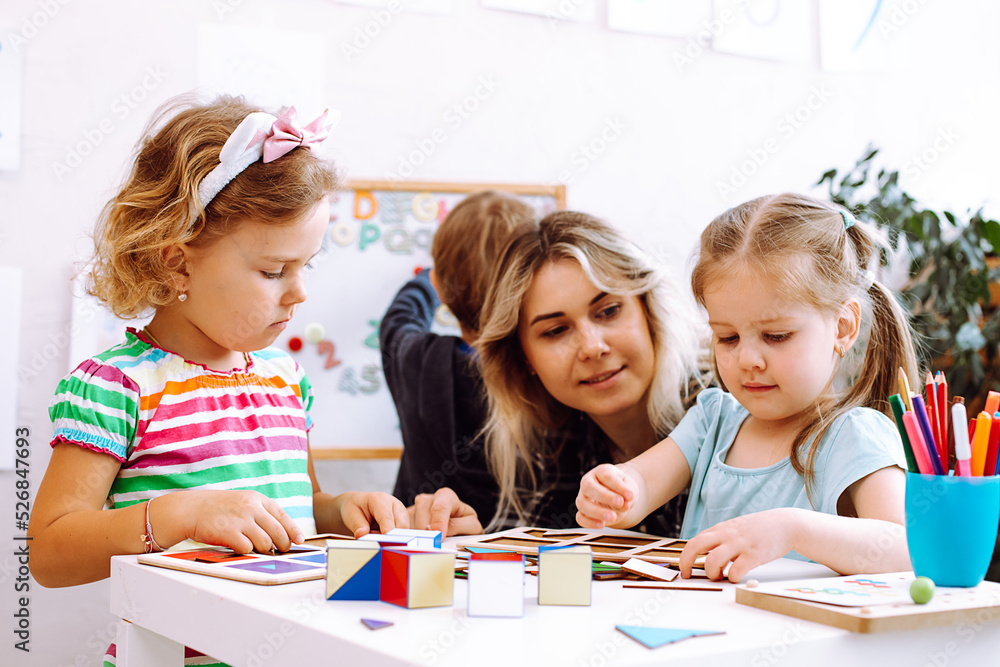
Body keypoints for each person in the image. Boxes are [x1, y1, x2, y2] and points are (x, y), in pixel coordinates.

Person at [25, 95, 468, 666]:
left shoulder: (285, 381)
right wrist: (181, 514)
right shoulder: (116, 386)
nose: (299, 291)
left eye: (305, 265)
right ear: (177, 263)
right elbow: (52, 552)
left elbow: (301, 506)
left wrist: (346, 509)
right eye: (272, 271)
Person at [576, 193, 921, 583]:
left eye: (775, 336)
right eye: (727, 337)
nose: (747, 360)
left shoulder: (853, 435)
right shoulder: (712, 420)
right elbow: (642, 481)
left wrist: (792, 528)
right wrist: (616, 492)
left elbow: (908, 548)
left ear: (842, 328)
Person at [474, 210, 707, 533]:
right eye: (556, 331)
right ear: (523, 357)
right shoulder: (549, 443)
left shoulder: (728, 408)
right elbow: (534, 561)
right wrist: (461, 541)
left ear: (648, 309)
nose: (592, 347)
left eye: (609, 311)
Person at [382, 191, 535, 526]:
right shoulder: (544, 373)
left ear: (439, 284)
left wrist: (428, 280)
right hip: (512, 552)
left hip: (419, 541)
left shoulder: (416, 359)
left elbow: (399, 318)